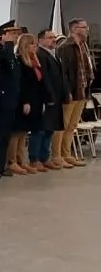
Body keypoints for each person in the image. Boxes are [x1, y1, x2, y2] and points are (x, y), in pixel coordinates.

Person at [53, 18, 94, 168]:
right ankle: (57, 155)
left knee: (72, 125)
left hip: (82, 91)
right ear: (75, 29)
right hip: (70, 92)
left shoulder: (83, 45)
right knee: (62, 125)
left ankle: (67, 154)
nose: (87, 30)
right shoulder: (65, 47)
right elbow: (63, 72)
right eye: (84, 27)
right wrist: (67, 91)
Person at [0, 21, 22, 177]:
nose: (15, 37)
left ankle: (1, 165)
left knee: (5, 135)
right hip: (0, 99)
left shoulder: (10, 52)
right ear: (2, 36)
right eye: (11, 34)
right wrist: (7, 44)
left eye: (16, 34)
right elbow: (5, 65)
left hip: (10, 99)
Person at [35, 28, 68, 171]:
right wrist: (49, 95)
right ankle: (36, 158)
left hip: (56, 97)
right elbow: (45, 78)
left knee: (50, 129)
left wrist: (65, 93)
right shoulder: (40, 54)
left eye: (54, 37)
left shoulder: (53, 54)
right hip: (47, 98)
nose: (54, 40)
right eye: (50, 38)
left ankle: (45, 157)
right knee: (42, 129)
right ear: (40, 40)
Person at [11, 33, 43, 175]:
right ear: (24, 45)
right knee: (17, 132)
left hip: (34, 99)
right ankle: (12, 160)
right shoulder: (20, 61)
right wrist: (25, 101)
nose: (35, 46)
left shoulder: (33, 61)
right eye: (31, 44)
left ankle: (22, 160)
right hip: (22, 101)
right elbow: (21, 84)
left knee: (24, 132)